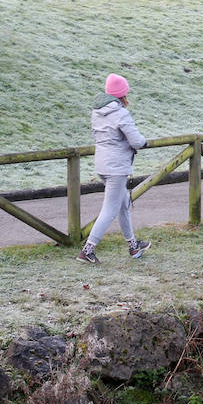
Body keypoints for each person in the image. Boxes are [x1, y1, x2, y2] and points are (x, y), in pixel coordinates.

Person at [78, 73, 151, 263]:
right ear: (122, 95)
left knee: (123, 204)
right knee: (110, 210)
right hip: (116, 168)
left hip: (102, 165)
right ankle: (87, 250)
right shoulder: (121, 114)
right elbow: (136, 141)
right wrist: (144, 143)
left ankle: (133, 246)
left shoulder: (96, 112)